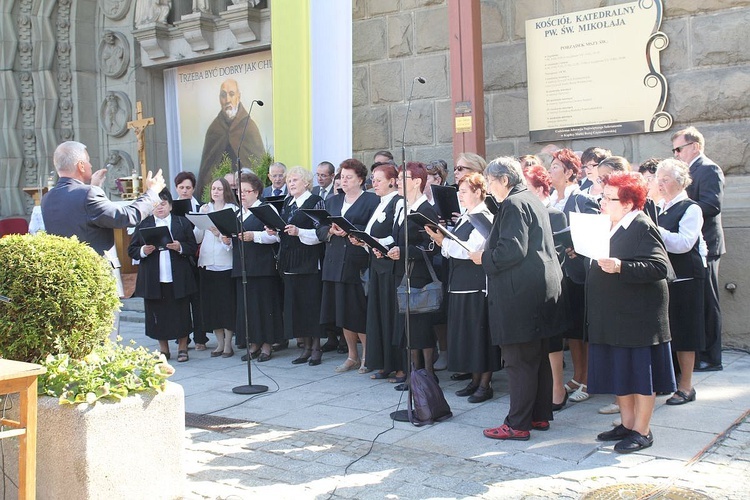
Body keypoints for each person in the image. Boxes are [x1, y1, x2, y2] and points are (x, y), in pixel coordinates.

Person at [470, 156, 562, 441]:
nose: (488, 189)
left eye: (490, 183)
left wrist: (482, 257)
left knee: (519, 360)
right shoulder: (531, 198)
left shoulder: (512, 203)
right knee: (537, 358)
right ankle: (538, 415)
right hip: (540, 290)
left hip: (520, 294)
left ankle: (518, 423)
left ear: (505, 180)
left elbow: (511, 250)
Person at [587, 171, 675, 453]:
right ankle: (626, 423)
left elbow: (660, 267)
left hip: (638, 317)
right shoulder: (608, 224)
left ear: (627, 203)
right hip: (612, 313)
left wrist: (621, 266)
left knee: (639, 375)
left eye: (609, 198)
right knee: (619, 371)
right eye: (603, 196)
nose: (602, 202)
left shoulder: (641, 225)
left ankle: (643, 430)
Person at [42, 141, 166, 301]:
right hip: (95, 276)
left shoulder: (47, 198)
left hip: (67, 276)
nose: (90, 165)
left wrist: (93, 186)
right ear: (80, 165)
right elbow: (126, 217)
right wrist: (153, 193)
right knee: (107, 326)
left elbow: (81, 216)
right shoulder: (88, 194)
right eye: (88, 161)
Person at [426, 172, 500, 403]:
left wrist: (443, 241)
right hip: (459, 284)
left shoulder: (484, 217)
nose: (460, 196)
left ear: (478, 192)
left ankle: (485, 383)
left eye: (465, 191)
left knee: (480, 336)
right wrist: (444, 238)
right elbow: (454, 247)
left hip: (477, 286)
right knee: (467, 336)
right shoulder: (467, 216)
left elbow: (472, 250)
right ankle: (475, 380)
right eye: (459, 191)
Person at [317, 159, 379, 373]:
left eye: (348, 177)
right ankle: (352, 355)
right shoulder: (334, 201)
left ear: (360, 179)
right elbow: (320, 229)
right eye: (342, 177)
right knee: (342, 313)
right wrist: (331, 231)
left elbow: (373, 228)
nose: (343, 180)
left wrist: (352, 231)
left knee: (358, 312)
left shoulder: (371, 201)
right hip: (334, 263)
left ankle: (367, 356)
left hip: (356, 263)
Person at [671, 126, 725, 372]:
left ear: (695, 146)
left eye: (679, 149)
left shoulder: (708, 168)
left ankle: (712, 357)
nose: (677, 154)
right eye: (674, 150)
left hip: (707, 245)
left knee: (708, 302)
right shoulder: (687, 170)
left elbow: (712, 205)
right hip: (688, 246)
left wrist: (684, 207)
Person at [548, 149, 599, 404]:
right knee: (571, 329)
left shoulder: (581, 199)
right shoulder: (549, 200)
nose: (550, 170)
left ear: (569, 172)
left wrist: (576, 246)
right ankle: (578, 375)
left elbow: (594, 234)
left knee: (583, 326)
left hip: (578, 271)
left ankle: (588, 376)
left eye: (556, 166)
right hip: (558, 271)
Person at [656, 159, 707, 405]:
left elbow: (684, 243)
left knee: (685, 332)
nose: (660, 183)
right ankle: (671, 380)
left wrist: (656, 231)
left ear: (680, 181)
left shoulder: (691, 208)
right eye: (659, 179)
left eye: (665, 179)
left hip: (686, 277)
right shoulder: (659, 207)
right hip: (666, 278)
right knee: (669, 331)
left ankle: (687, 386)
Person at [388, 162, 441, 390]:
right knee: (408, 327)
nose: (397, 183)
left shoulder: (426, 210)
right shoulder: (402, 207)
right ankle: (414, 373)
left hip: (418, 275)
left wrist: (404, 252)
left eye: (402, 179)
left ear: (417, 182)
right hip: (402, 272)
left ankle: (427, 375)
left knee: (420, 326)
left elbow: (431, 246)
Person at [128, 189, 198, 362]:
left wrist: (179, 247)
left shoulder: (181, 223)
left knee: (181, 312)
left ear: (170, 205)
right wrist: (143, 250)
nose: (160, 207)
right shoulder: (144, 224)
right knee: (157, 313)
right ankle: (163, 349)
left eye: (163, 203)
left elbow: (192, 246)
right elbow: (132, 250)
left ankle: (183, 348)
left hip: (178, 275)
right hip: (154, 277)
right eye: (156, 204)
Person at [221, 173, 283, 362]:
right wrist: (226, 240)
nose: (242, 195)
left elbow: (276, 236)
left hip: (262, 267)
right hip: (243, 267)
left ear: (256, 192)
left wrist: (254, 236)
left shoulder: (265, 209)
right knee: (248, 308)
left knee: (264, 306)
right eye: (239, 192)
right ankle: (253, 342)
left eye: (246, 191)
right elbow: (234, 240)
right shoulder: (239, 212)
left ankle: (266, 345)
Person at [523, 164, 570, 412]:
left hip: (551, 284)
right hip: (529, 285)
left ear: (541, 189)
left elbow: (556, 254)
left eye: (528, 188)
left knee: (552, 341)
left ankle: (558, 390)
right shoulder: (523, 212)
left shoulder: (554, 214)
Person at [270, 166, 326, 365]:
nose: (290, 184)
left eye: (294, 180)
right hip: (289, 259)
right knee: (298, 306)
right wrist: (275, 231)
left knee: (311, 304)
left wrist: (299, 232)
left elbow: (321, 234)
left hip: (309, 260)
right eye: (289, 181)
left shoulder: (315, 201)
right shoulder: (287, 201)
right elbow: (284, 228)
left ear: (306, 182)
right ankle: (306, 347)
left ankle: (317, 347)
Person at [352, 163, 402, 381]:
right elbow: (374, 234)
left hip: (391, 268)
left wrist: (376, 242)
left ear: (392, 181)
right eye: (373, 179)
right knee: (379, 315)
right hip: (377, 266)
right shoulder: (380, 203)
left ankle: (399, 365)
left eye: (379, 180)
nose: (374, 184)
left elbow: (396, 234)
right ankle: (384, 363)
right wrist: (362, 241)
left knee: (391, 315)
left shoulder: (398, 202)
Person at [197, 79, 265, 196]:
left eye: (231, 94)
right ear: (219, 99)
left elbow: (259, 165)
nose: (227, 100)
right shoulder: (214, 129)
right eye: (223, 95)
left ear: (238, 96)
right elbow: (206, 172)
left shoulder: (249, 128)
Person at [194, 177, 238, 358]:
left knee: (226, 305)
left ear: (226, 190)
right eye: (213, 189)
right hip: (206, 262)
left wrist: (218, 233)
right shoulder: (205, 208)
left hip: (224, 263)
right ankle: (219, 343)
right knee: (212, 306)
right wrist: (199, 219)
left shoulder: (232, 210)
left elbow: (232, 240)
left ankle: (228, 344)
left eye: (219, 189)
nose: (216, 192)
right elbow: (197, 237)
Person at [174, 171, 208, 350]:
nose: (185, 191)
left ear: (194, 188)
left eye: (188, 187)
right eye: (181, 187)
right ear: (176, 188)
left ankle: (200, 338)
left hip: (198, 257)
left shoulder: (201, 207)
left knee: (198, 300)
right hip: (181, 259)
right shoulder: (171, 209)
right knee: (181, 301)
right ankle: (183, 339)